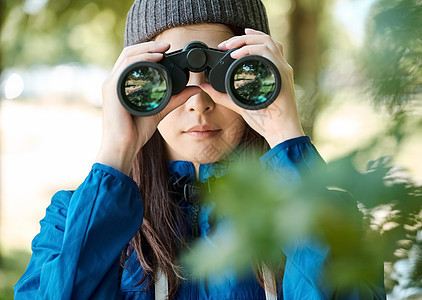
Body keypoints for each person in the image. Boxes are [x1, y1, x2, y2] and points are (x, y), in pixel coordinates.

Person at [14, 0, 386, 299]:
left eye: (223, 75)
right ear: (131, 85)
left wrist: (286, 134)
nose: (197, 103)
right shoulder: (72, 220)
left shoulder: (329, 213)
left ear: (261, 76)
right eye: (169, 79)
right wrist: (116, 151)